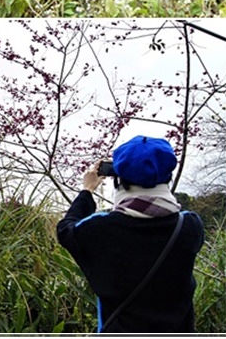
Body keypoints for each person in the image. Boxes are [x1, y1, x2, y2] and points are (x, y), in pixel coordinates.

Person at [57, 135, 205, 333]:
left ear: (118, 178)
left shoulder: (98, 230)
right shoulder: (190, 226)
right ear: (168, 176)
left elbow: (65, 229)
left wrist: (87, 191)